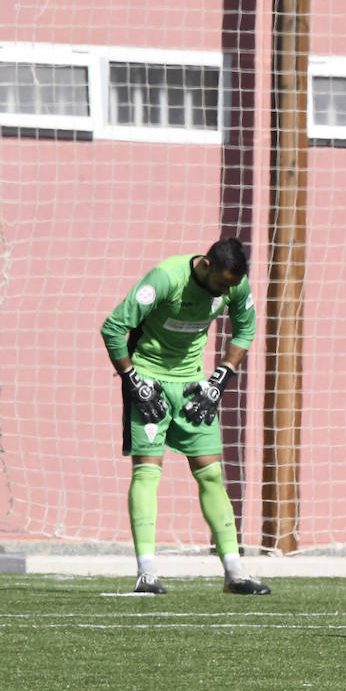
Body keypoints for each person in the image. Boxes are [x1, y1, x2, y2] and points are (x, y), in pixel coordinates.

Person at [101, 237, 271, 596]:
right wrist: (133, 382)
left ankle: (234, 572)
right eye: (223, 284)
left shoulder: (235, 284)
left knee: (211, 475)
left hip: (194, 386)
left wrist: (221, 377)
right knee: (148, 471)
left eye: (233, 285)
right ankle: (146, 572)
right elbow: (114, 327)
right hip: (149, 380)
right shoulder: (165, 278)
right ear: (206, 266)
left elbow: (246, 328)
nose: (228, 291)